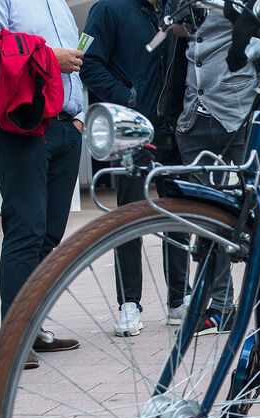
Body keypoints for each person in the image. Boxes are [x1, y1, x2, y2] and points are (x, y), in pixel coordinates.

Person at [0, 0, 84, 368]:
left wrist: (77, 118)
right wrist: (47, 57)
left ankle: (32, 327)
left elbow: (73, 64)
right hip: (21, 124)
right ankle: (13, 339)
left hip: (65, 125)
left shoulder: (59, 4)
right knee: (26, 230)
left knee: (49, 235)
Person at [159, 10, 260, 336]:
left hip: (241, 110)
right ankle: (220, 307)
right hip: (192, 117)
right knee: (207, 217)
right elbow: (177, 30)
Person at [81, 0, 190, 337]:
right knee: (130, 215)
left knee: (177, 214)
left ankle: (178, 300)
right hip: (133, 130)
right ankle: (129, 303)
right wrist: (126, 98)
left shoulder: (178, 7)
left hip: (175, 127)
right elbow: (88, 63)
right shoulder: (108, 8)